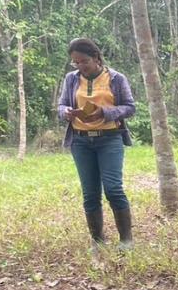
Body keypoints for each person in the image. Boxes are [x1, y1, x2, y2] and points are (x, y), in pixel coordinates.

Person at [56, 38, 137, 249]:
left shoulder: (116, 78)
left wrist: (105, 113)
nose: (80, 66)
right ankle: (97, 239)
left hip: (109, 138)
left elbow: (129, 107)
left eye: (84, 61)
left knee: (113, 188)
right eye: (76, 62)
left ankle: (126, 240)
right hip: (81, 141)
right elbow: (62, 104)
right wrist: (66, 112)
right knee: (90, 193)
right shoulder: (71, 79)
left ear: (96, 58)